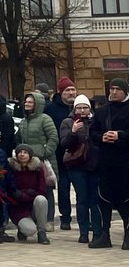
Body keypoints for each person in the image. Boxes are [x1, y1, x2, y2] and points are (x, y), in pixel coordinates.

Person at [89, 77, 129, 249]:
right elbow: (93, 132)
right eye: (111, 89)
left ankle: (128, 234)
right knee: (104, 198)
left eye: (117, 89)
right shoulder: (102, 111)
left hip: (126, 163)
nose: (113, 92)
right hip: (106, 162)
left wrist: (120, 135)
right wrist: (102, 137)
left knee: (125, 199)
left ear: (125, 91)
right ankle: (104, 234)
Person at [61, 95, 101, 245]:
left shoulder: (96, 121)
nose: (82, 110)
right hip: (76, 166)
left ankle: (97, 232)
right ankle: (83, 232)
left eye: (85, 107)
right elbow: (64, 143)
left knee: (95, 200)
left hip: (94, 165)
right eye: (79, 107)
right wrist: (73, 131)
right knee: (82, 199)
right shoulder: (67, 122)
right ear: (74, 108)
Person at [17, 90, 59, 226]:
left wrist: (45, 152)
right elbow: (19, 139)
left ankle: (49, 220)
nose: (27, 104)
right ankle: (34, 218)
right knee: (32, 188)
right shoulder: (23, 121)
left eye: (30, 102)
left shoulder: (45, 119)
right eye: (26, 101)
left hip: (43, 161)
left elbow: (53, 137)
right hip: (27, 161)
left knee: (46, 189)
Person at [45, 77, 78, 230]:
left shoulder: (81, 106)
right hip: (60, 155)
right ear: (61, 92)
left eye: (72, 89)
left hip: (79, 154)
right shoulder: (50, 109)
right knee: (63, 187)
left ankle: (85, 218)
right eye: (67, 90)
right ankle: (65, 219)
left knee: (81, 188)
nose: (71, 93)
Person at [7, 144, 50, 244]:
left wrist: (28, 194)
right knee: (30, 230)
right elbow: (11, 191)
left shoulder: (38, 169)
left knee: (41, 199)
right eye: (20, 153)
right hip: (18, 208)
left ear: (30, 155)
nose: (22, 155)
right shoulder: (12, 170)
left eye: (25, 152)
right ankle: (22, 230)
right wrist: (24, 194)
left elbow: (42, 190)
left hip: (34, 204)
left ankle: (42, 232)